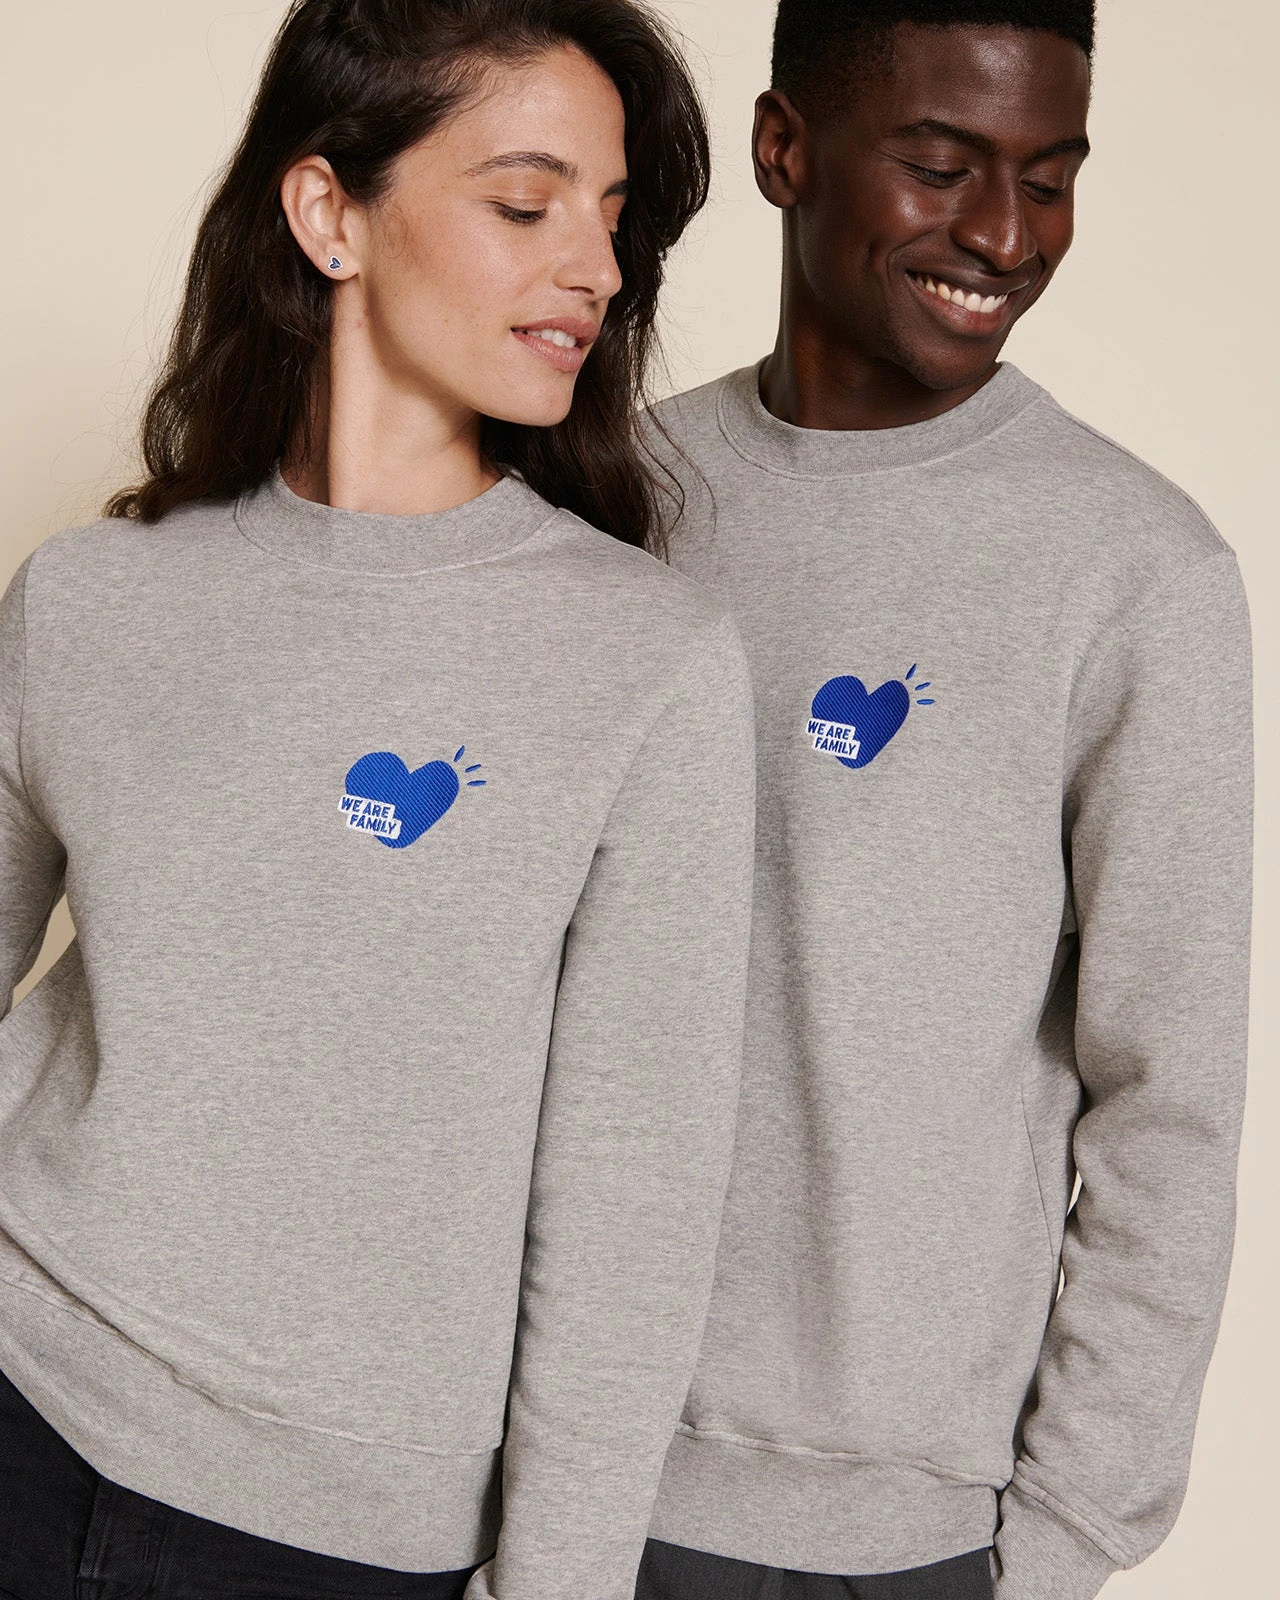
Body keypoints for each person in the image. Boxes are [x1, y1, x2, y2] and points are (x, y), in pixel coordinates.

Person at [0, 3, 756, 1598]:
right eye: (527, 203)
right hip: (22, 1391)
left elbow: (633, 1202)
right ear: (329, 212)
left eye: (614, 217)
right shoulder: (90, 599)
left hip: (340, 1538)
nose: (598, 269)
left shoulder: (645, 662)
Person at [635, 3, 1253, 1598]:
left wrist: (1049, 1553)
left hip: (896, 1551)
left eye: (1050, 179)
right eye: (941, 165)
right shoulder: (611, 503)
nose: (1003, 235)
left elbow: (1169, 1105)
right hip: (546, 1483)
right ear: (785, 149)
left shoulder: (1135, 573)